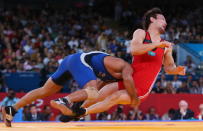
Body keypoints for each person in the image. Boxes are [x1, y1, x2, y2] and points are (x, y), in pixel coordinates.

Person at [51, 7, 186, 121]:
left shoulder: (166, 47)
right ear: (152, 19)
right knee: (100, 93)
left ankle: (82, 113)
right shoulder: (141, 33)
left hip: (141, 89)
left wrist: (177, 70)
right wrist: (157, 44)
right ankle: (75, 112)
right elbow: (135, 50)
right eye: (163, 19)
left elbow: (169, 68)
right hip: (129, 80)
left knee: (114, 97)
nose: (166, 22)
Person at [2, 51, 138, 127]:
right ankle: (64, 100)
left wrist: (76, 112)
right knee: (93, 92)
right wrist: (135, 98)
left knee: (45, 90)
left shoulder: (112, 77)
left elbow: (90, 95)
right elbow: (127, 80)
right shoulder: (124, 66)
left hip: (70, 61)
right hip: (80, 60)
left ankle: (12, 109)